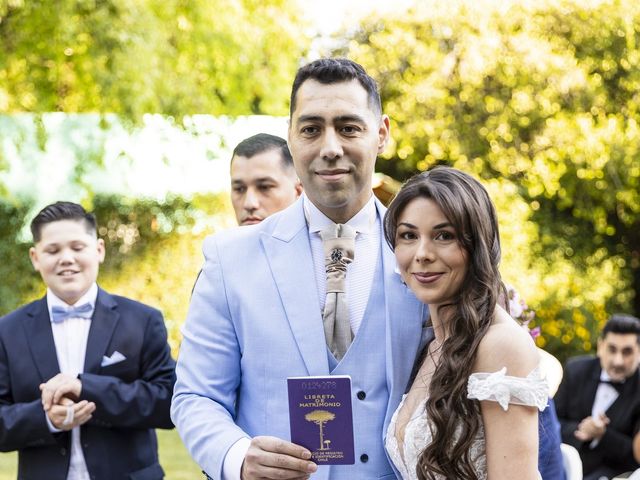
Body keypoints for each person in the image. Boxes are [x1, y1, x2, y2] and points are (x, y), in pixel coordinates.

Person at [171, 58, 427, 479]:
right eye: (311, 129)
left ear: (381, 134)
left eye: (348, 127)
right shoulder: (228, 259)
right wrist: (237, 456)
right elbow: (196, 396)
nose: (329, 147)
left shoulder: (428, 258)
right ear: (291, 136)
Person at [383, 166, 548, 480]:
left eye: (444, 236)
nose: (422, 254)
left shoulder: (500, 345)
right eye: (408, 236)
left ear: (477, 245)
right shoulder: (432, 344)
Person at [0, 201, 176, 479]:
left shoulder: (142, 320)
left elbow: (168, 403)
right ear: (35, 258)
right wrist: (46, 419)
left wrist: (87, 388)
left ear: (99, 250)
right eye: (53, 250)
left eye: (77, 247)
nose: (66, 258)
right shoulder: (7, 331)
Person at [555, 314, 640, 480]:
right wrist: (581, 429)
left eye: (627, 352)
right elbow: (551, 423)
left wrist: (603, 435)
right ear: (601, 346)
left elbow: (636, 455)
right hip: (562, 466)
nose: (618, 361)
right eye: (612, 349)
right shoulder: (575, 370)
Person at [230, 133, 302, 226]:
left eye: (264, 187)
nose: (249, 204)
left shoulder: (323, 239)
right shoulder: (217, 240)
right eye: (239, 189)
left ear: (298, 192)